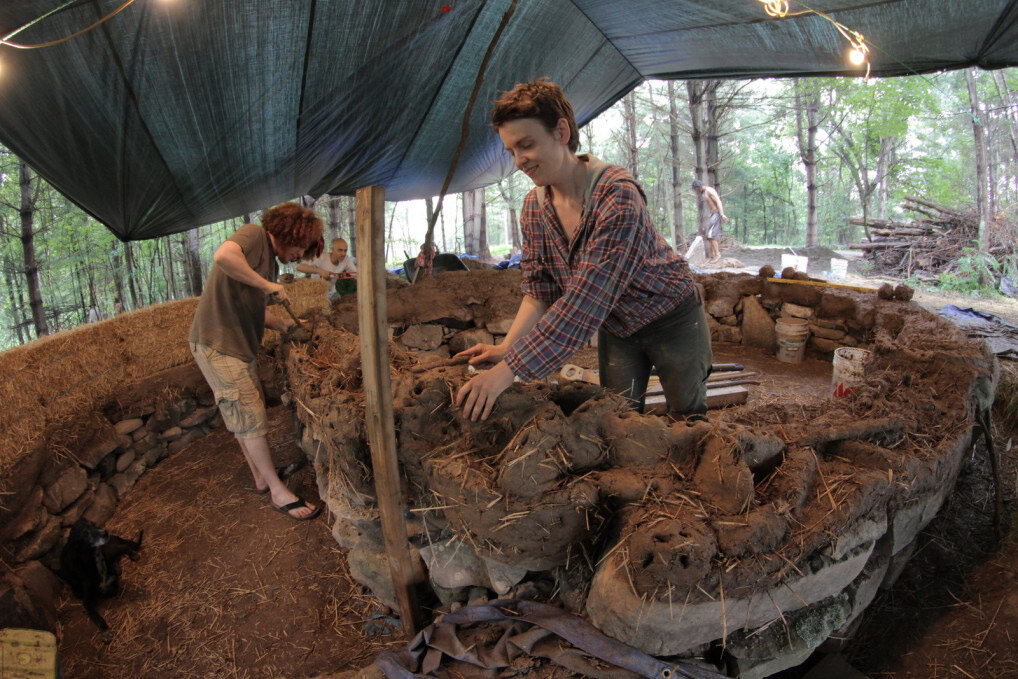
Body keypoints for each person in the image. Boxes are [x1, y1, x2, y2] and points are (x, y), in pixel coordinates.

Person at [455, 79, 712, 422]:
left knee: (688, 415)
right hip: (618, 328)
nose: (518, 161)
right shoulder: (534, 206)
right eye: (510, 151)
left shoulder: (617, 195)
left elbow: (583, 304)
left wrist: (506, 373)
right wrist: (506, 349)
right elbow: (538, 291)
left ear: (561, 132)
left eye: (526, 145)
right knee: (618, 417)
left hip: (671, 316)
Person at [188, 202, 323, 521]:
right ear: (290, 233)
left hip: (237, 346)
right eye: (301, 248)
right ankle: (278, 493)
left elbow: (249, 306)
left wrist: (284, 324)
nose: (299, 256)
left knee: (244, 414)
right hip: (217, 344)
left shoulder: (270, 265)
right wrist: (267, 285)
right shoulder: (253, 235)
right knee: (249, 413)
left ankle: (262, 478)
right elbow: (223, 257)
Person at [691, 180, 728, 263]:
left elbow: (718, 202)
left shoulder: (709, 191)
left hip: (717, 214)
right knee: (709, 235)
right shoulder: (705, 192)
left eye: (696, 190)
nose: (696, 192)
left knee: (712, 235)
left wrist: (722, 214)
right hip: (713, 214)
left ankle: (717, 255)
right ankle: (714, 255)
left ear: (698, 187)